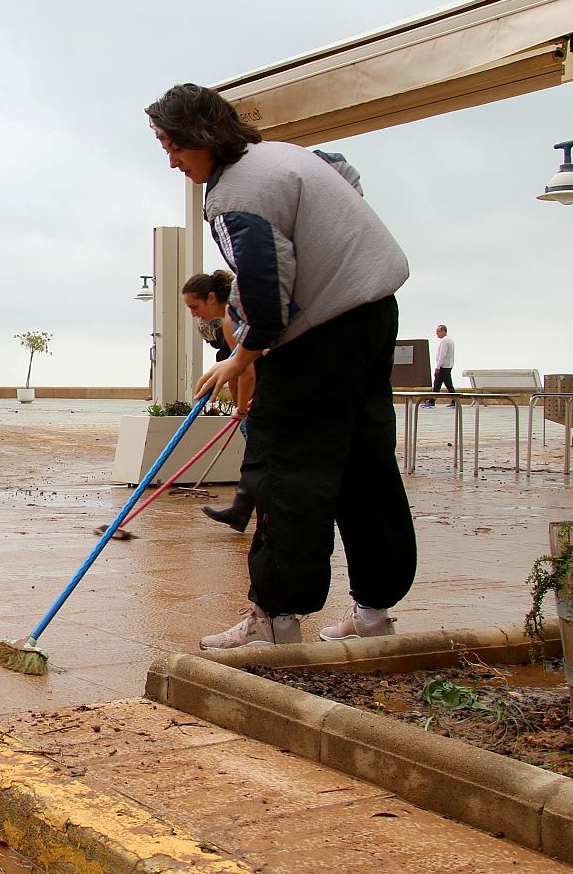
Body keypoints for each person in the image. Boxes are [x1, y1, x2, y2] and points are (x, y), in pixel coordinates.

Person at [147, 83, 417, 649]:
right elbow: (345, 175)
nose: (170, 160)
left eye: (170, 145)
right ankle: (373, 613)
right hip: (374, 313)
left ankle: (275, 620)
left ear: (201, 137)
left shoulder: (236, 193)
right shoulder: (290, 155)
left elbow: (267, 284)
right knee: (364, 462)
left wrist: (242, 354)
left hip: (318, 335)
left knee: (286, 471)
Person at [181, 271, 257, 532]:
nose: (194, 314)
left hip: (257, 403)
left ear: (212, 298)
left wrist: (240, 408)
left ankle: (242, 511)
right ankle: (242, 511)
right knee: (259, 458)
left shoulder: (231, 321)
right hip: (262, 399)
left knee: (258, 457)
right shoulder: (242, 314)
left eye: (195, 306)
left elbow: (245, 372)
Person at [424, 325, 456, 408]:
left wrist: (438, 366)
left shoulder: (444, 341)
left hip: (443, 366)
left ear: (443, 331)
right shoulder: (450, 340)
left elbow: (443, 354)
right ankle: (454, 401)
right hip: (448, 366)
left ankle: (431, 401)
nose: (436, 333)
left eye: (438, 331)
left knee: (437, 384)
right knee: (448, 384)